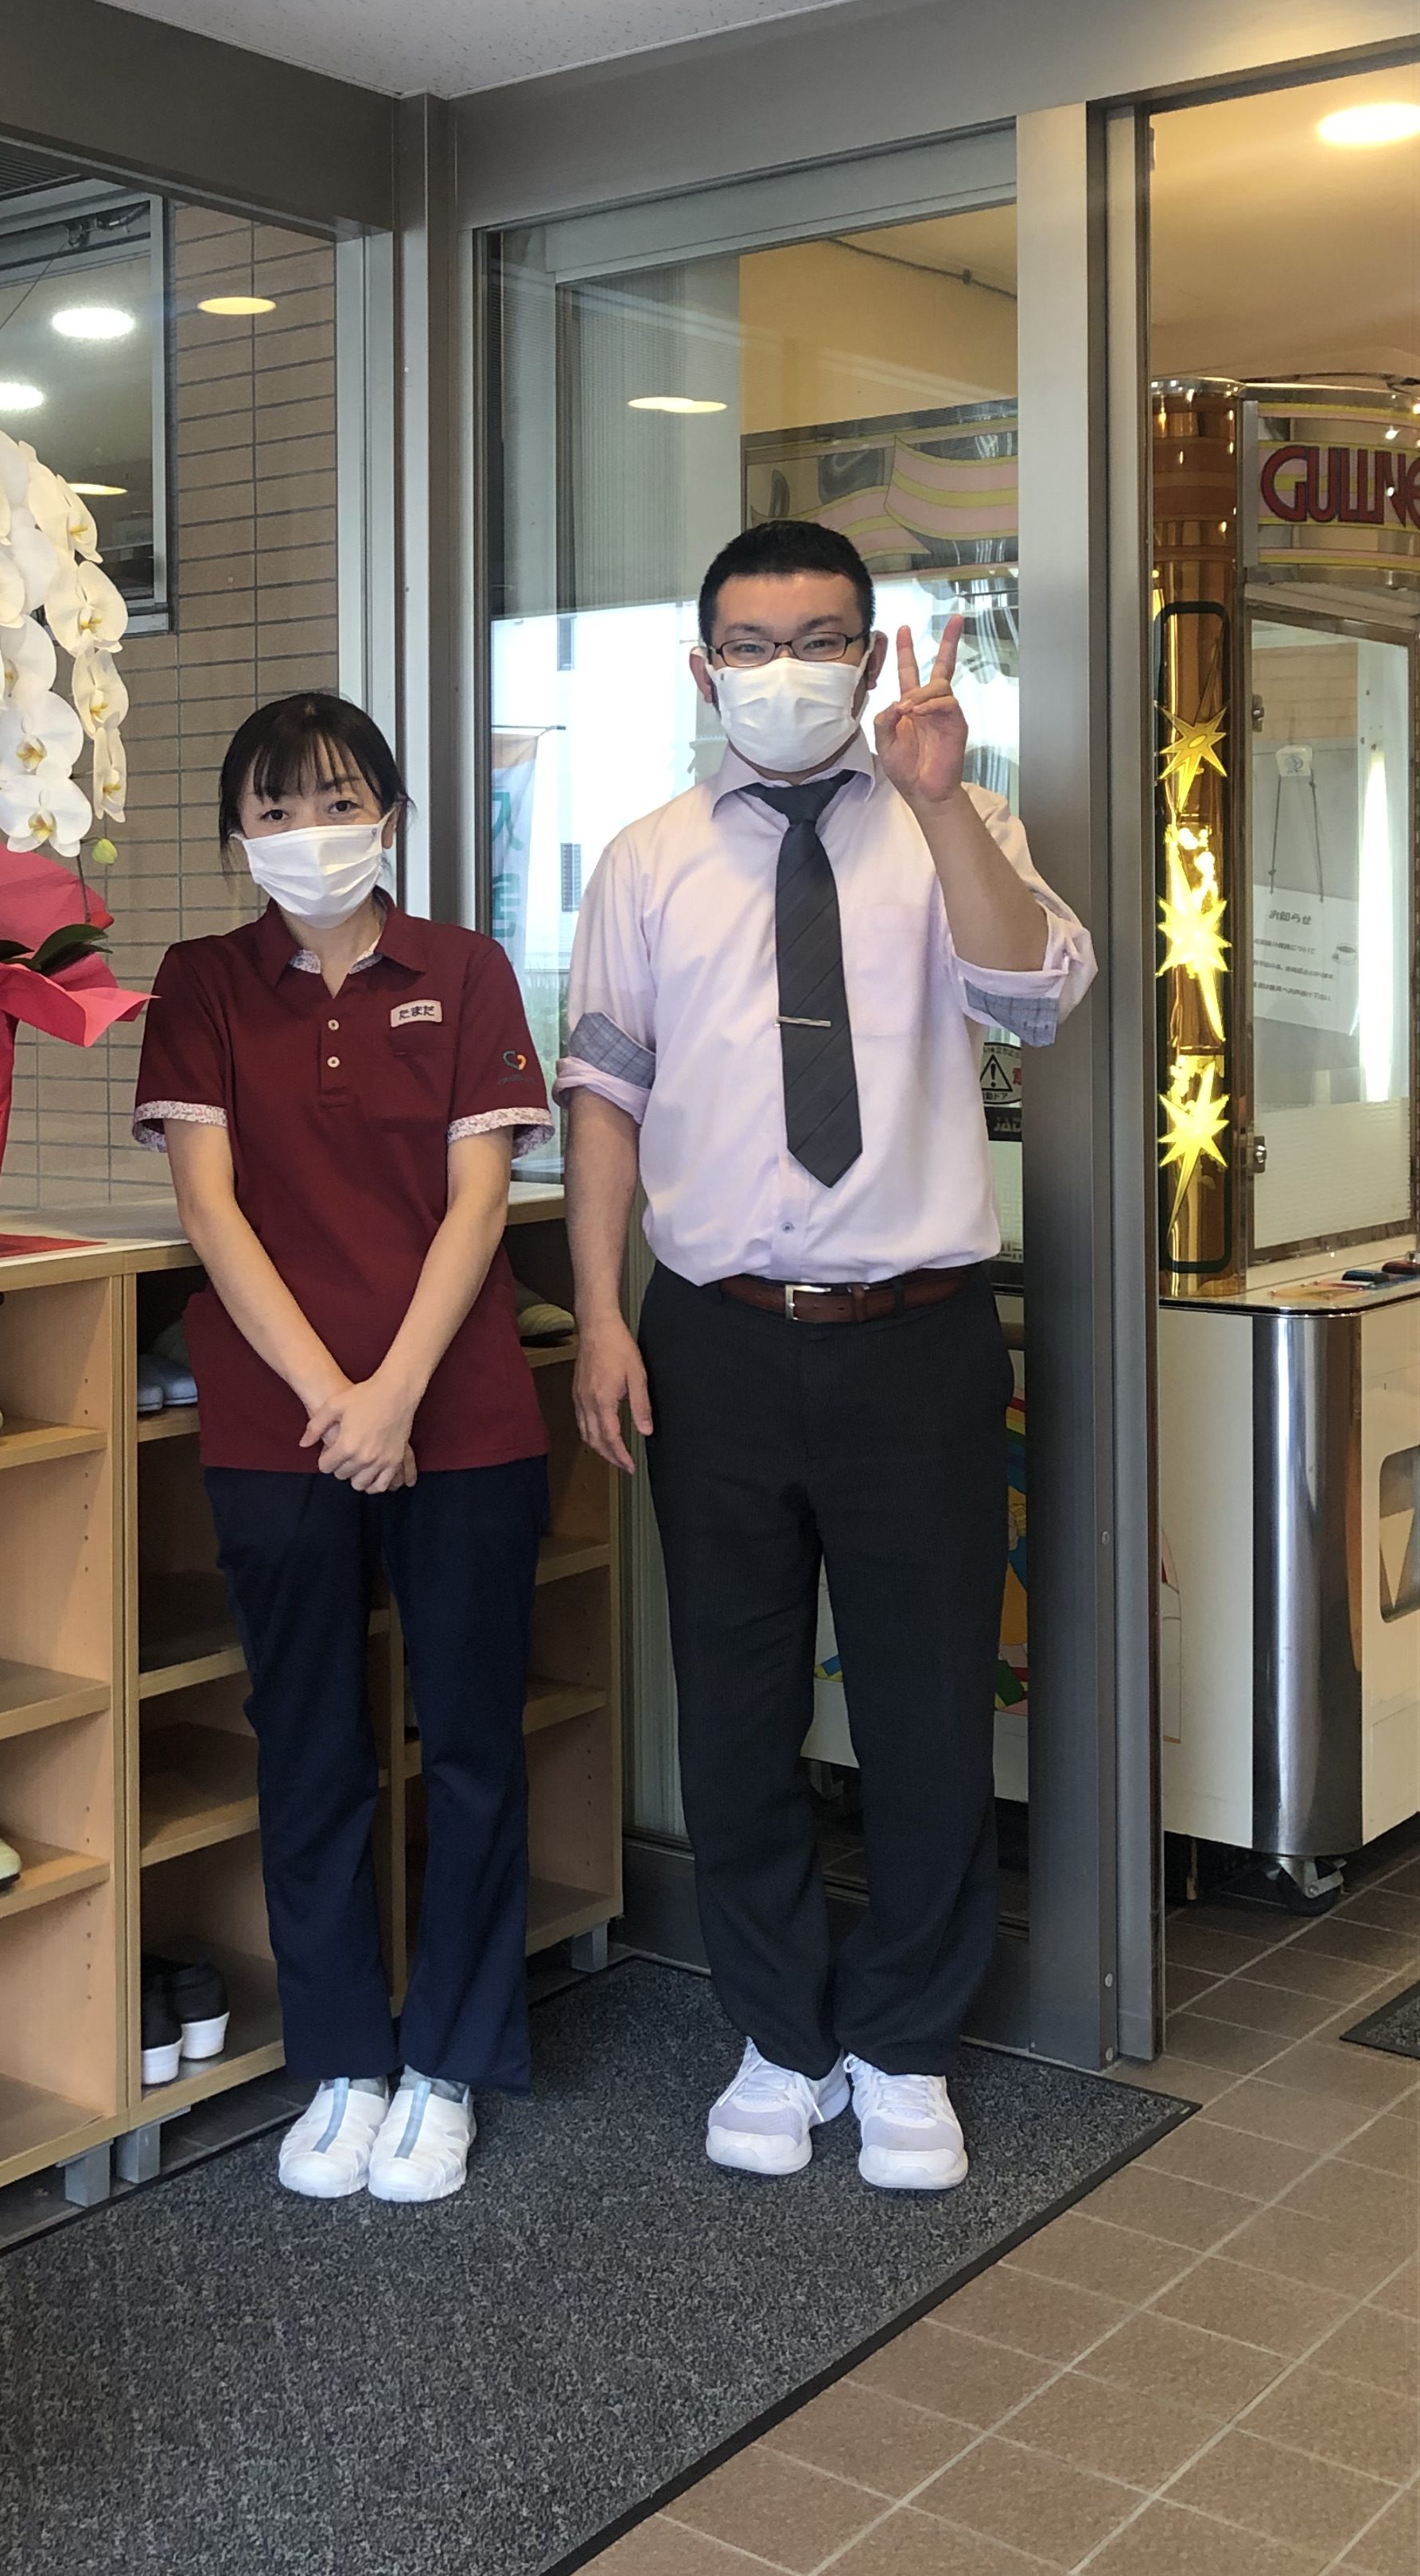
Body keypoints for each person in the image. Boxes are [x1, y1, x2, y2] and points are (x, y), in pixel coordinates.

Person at [561, 519, 1094, 2191]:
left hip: (915, 1343)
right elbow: (604, 1097)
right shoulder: (647, 859)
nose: (782, 670)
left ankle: (907, 2040)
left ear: (868, 658)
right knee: (732, 1706)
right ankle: (779, 2033)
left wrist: (942, 802)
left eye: (817, 640)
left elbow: (1038, 999)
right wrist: (599, 1315)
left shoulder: (954, 823)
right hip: (711, 1339)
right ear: (701, 665)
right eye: (751, 642)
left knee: (930, 1705)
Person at [133, 691, 554, 2205]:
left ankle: (448, 2063)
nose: (308, 834)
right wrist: (336, 1399)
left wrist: (395, 1395)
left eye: (336, 803)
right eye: (275, 810)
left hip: (463, 1414)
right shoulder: (202, 983)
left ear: (387, 816)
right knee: (309, 1748)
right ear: (237, 834)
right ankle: (345, 2063)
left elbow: (481, 1202)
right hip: (277, 1427)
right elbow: (209, 1208)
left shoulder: (467, 969)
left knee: (474, 1746)